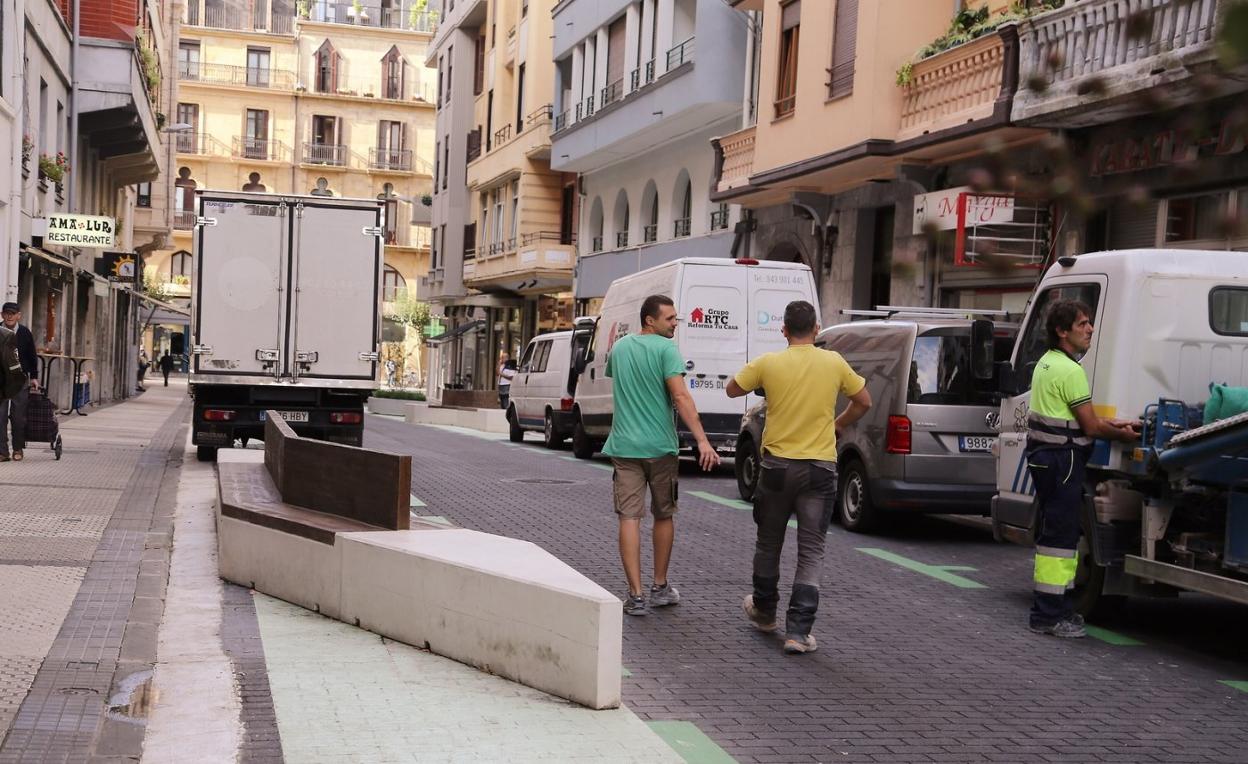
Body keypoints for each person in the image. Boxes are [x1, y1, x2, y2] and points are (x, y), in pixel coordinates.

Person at [726, 300, 872, 655]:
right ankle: (798, 632)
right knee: (811, 550)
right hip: (819, 468)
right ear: (817, 329)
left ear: (784, 330)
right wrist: (837, 425)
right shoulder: (834, 362)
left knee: (768, 542)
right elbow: (864, 400)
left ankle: (764, 612)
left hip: (776, 468)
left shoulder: (769, 363)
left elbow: (732, 389)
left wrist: (762, 385)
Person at [1024, 299, 1138, 638]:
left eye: (1089, 323)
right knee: (1061, 538)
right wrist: (1121, 432)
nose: (1089, 329)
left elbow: (1070, 418)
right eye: (1082, 324)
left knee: (1053, 536)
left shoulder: (1046, 363)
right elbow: (1089, 427)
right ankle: (1048, 616)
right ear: (1062, 332)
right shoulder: (1072, 371)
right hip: (1065, 461)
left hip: (1044, 458)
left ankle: (1051, 610)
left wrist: (1110, 421)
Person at [603, 294, 719, 616]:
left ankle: (635, 595)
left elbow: (618, 380)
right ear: (649, 320)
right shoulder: (667, 349)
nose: (675, 324)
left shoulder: (621, 348)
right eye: (669, 319)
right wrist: (703, 441)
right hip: (660, 447)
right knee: (664, 514)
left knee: (629, 517)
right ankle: (659, 586)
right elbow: (680, 396)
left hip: (624, 446)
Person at [0, 303, 37, 462]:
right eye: (6, 313)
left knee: (18, 416)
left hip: (20, 379)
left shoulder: (25, 333)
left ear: (18, 315)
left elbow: (31, 355)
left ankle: (17, 448)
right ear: (2, 314)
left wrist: (34, 377)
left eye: (12, 313)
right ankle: (2, 452)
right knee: (0, 416)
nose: (9, 316)